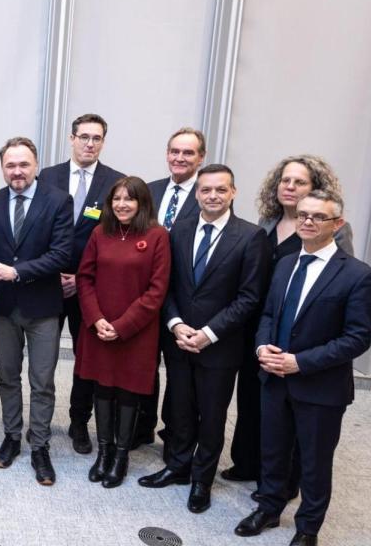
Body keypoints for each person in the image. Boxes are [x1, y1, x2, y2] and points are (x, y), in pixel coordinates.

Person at [234, 190, 371, 546]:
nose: (308, 222)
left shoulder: (359, 275)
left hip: (320, 386)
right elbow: (268, 314)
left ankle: (307, 529)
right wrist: (262, 346)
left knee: (313, 462)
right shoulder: (284, 264)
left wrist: (300, 362)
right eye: (302, 216)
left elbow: (357, 339)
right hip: (274, 378)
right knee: (273, 450)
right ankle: (268, 508)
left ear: (337, 224)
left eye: (318, 217)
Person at [137, 164, 270, 514]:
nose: (212, 196)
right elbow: (165, 284)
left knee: (212, 416)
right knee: (179, 408)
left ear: (233, 193)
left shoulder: (250, 236)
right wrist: (176, 324)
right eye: (206, 190)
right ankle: (178, 466)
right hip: (179, 340)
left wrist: (209, 333)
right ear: (197, 194)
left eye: (220, 190)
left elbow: (249, 297)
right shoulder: (177, 230)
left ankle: (202, 480)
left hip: (221, 345)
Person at [223, 155, 354, 492]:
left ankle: (285, 480)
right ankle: (248, 462)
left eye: (300, 182)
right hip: (259, 325)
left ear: (315, 189)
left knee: (293, 407)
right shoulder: (266, 223)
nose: (290, 187)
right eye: (285, 180)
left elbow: (341, 281)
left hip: (302, 332)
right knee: (254, 396)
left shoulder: (332, 228)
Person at [0, 137, 72, 485]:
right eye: (10, 165)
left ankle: (40, 445)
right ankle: (12, 436)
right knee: (7, 376)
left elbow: (62, 255)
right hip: (3, 306)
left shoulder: (59, 201)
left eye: (23, 164)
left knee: (42, 381)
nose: (17, 171)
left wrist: (17, 271)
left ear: (35, 165)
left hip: (43, 307)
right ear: (3, 168)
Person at [39, 113, 125, 455]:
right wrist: (51, 273)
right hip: (47, 283)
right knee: (43, 358)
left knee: (85, 359)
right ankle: (40, 422)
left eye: (97, 138)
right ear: (71, 138)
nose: (90, 143)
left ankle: (78, 422)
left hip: (90, 288)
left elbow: (120, 240)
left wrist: (81, 278)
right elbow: (36, 228)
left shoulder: (117, 183)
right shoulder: (47, 177)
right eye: (84, 136)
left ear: (103, 142)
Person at [76, 176, 169, 488]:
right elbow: (84, 278)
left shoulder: (157, 236)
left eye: (129, 199)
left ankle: (121, 456)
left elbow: (157, 291)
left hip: (136, 332)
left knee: (128, 392)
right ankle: (103, 453)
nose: (122, 205)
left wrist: (122, 325)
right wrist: (96, 319)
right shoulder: (100, 232)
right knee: (101, 389)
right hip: (98, 329)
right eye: (116, 199)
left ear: (142, 203)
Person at [140, 127, 205, 448]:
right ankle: (141, 428)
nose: (180, 158)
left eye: (188, 153)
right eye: (175, 151)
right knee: (143, 368)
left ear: (201, 158)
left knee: (180, 376)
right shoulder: (148, 191)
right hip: (145, 296)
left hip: (184, 302)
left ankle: (175, 437)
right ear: (167, 154)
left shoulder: (208, 194)